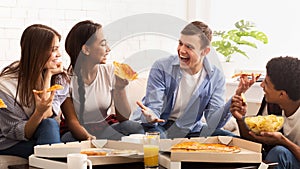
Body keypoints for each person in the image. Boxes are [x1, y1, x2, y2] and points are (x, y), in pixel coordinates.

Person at [130, 21, 255, 139]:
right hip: (158, 126)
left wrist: (236, 97)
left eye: (189, 47)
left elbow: (213, 123)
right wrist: (150, 117)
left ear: (205, 51)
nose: (182, 50)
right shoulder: (162, 67)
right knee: (160, 140)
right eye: (180, 43)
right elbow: (154, 108)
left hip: (190, 130)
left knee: (232, 140)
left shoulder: (215, 76)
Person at [60, 20, 144, 141]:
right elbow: (72, 121)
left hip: (104, 128)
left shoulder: (110, 71)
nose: (108, 49)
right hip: (77, 131)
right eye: (103, 44)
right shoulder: (64, 80)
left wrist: (120, 88)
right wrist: (88, 138)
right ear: (86, 49)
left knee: (134, 128)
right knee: (68, 139)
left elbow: (124, 118)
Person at [0, 24, 68, 158]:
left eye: (58, 49)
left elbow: (48, 114)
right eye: (53, 49)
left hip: (42, 135)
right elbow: (18, 131)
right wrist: (38, 112)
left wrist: (48, 76)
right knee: (53, 147)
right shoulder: (5, 86)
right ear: (38, 51)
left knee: (50, 125)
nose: (59, 54)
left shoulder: (58, 78)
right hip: (11, 143)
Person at [230, 56, 300, 169]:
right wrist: (241, 119)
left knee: (279, 152)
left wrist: (283, 141)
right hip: (273, 157)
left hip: (287, 159)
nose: (261, 85)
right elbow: (254, 141)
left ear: (282, 94)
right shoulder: (272, 103)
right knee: (225, 136)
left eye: (266, 83)